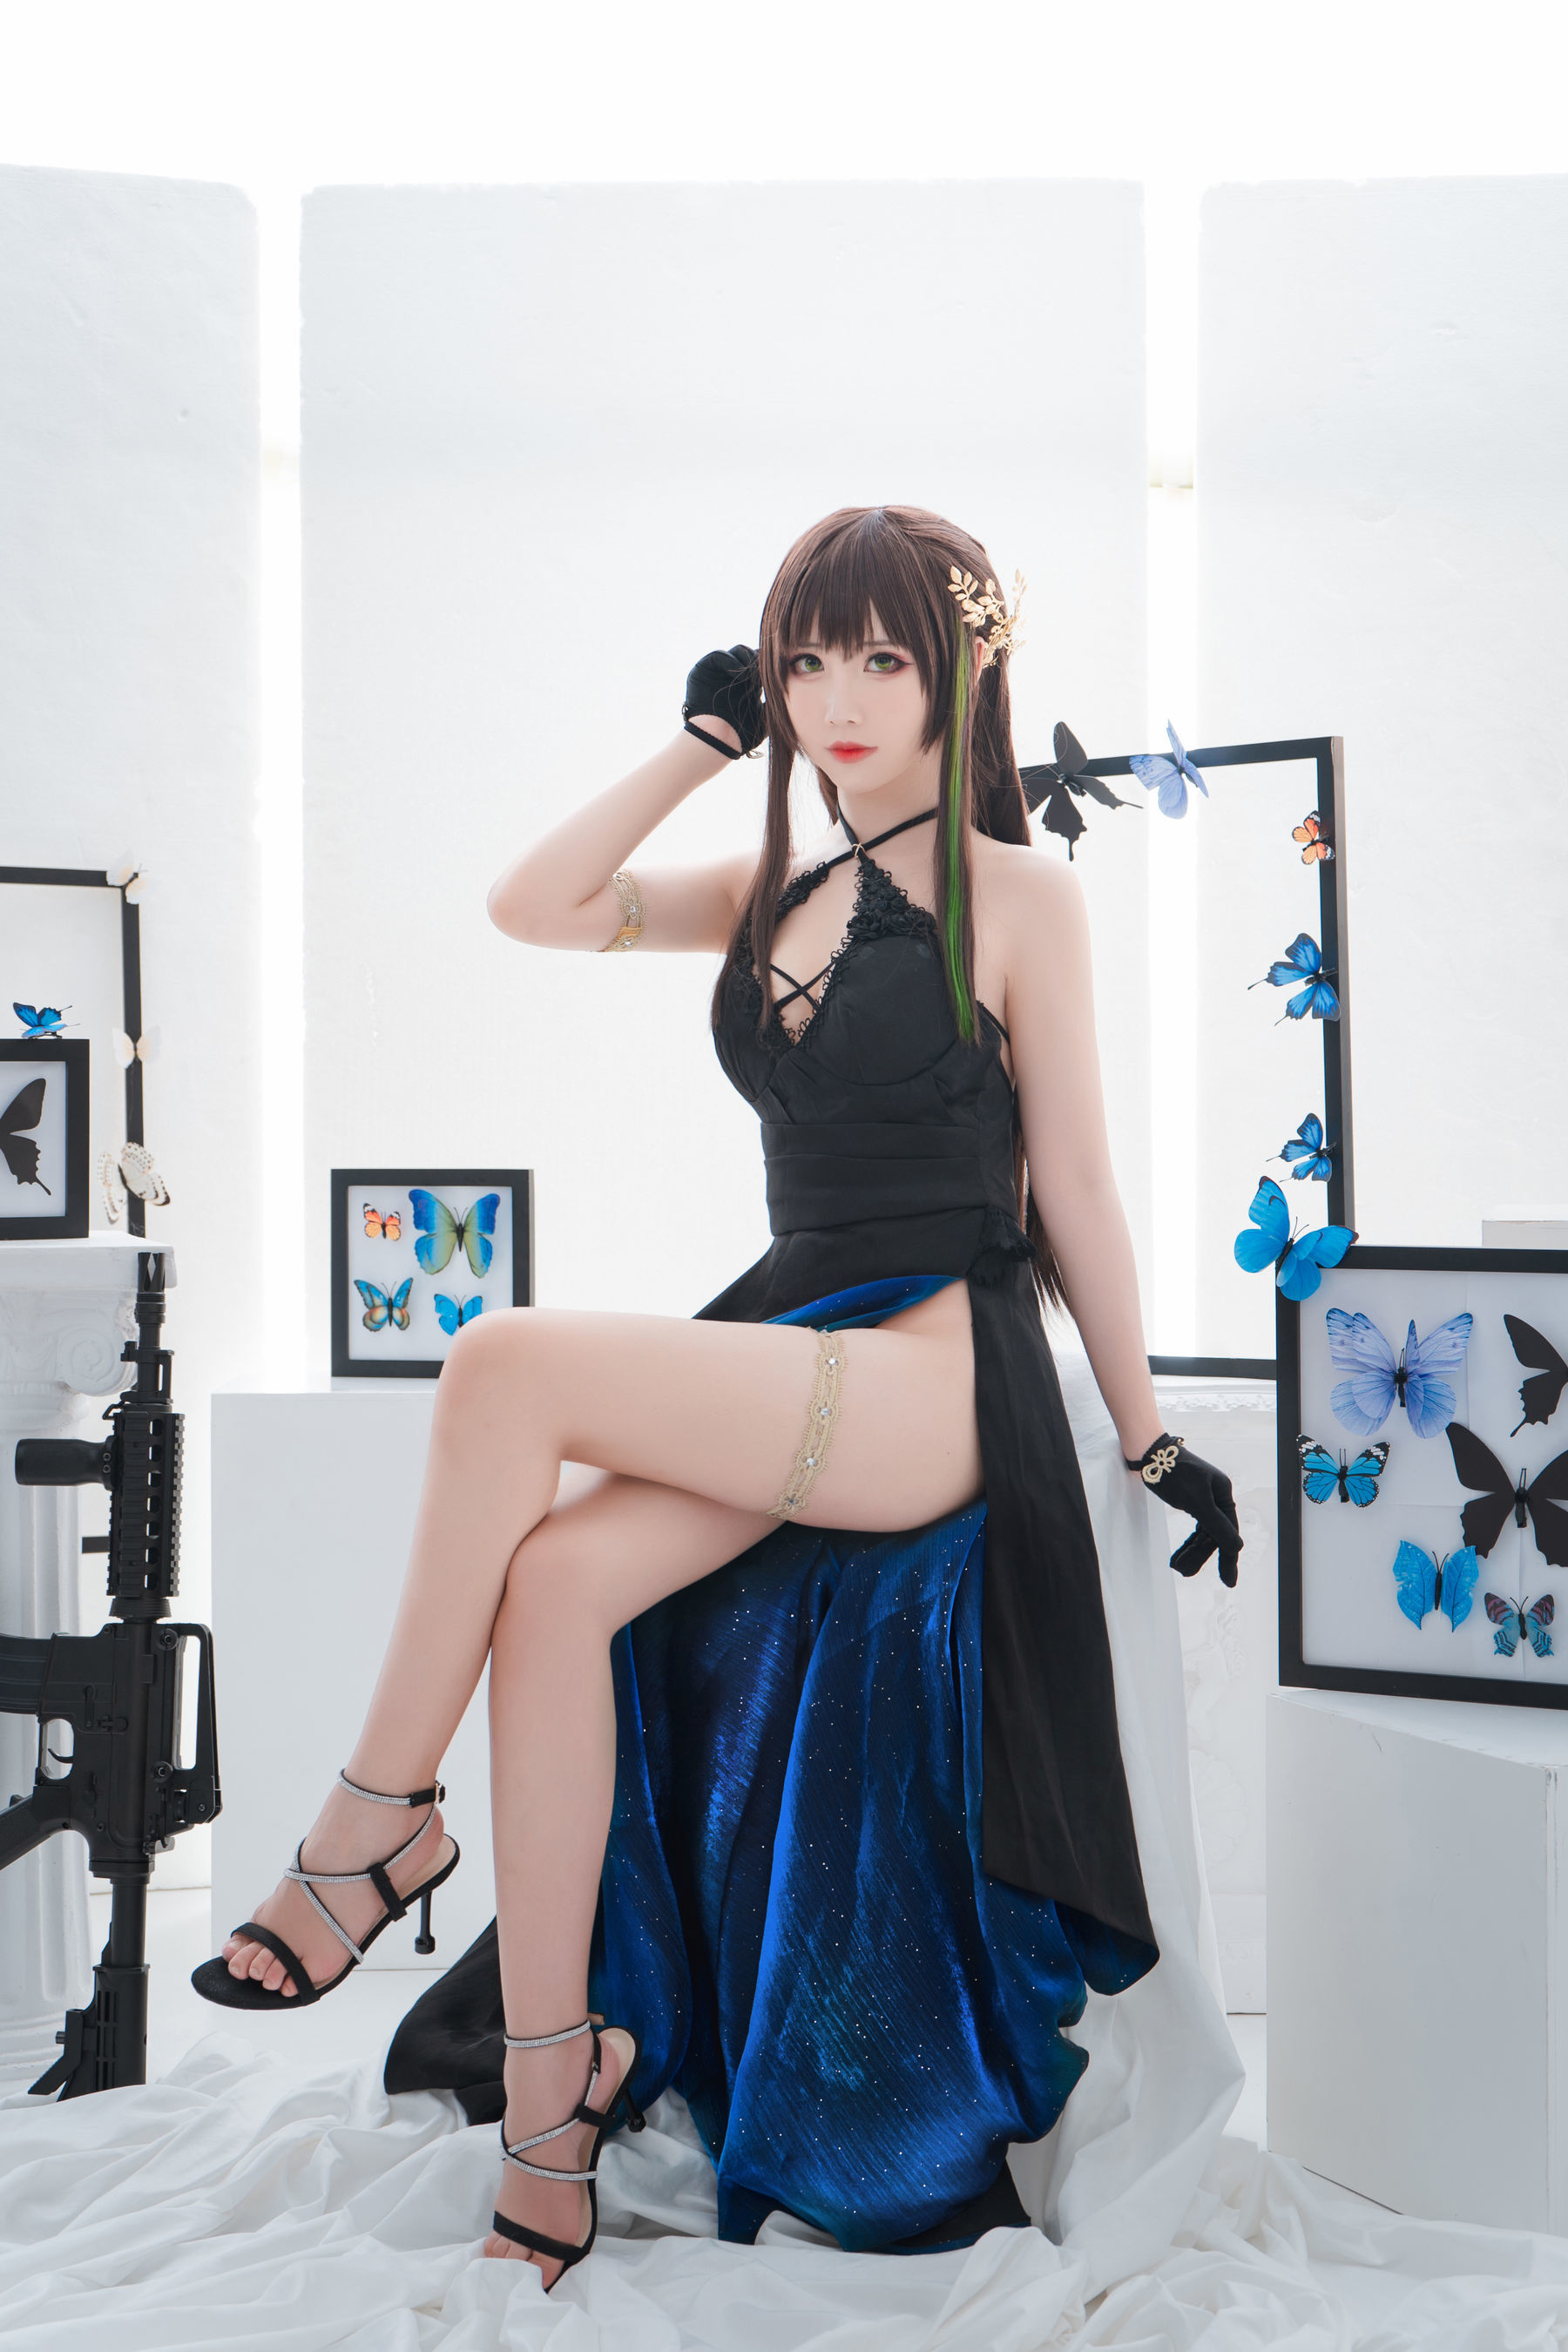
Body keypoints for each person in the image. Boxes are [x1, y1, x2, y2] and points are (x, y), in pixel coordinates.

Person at [193, 504, 1241, 2287]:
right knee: (553, 1588)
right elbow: (534, 906)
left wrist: (1144, 1431)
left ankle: (373, 1827)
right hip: (800, 1338)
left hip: (932, 1374)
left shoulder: (1020, 895)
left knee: (503, 1360)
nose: (839, 700)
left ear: (960, 671)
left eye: (883, 659)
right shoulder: (775, 892)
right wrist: (697, 746)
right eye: (806, 662)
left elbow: (1075, 1182)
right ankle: (552, 2109)